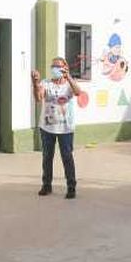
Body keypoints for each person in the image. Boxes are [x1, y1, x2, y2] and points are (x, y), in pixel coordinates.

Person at [32, 56, 82, 198]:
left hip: (66, 129)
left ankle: (71, 187)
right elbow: (38, 98)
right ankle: (46, 185)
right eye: (53, 66)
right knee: (47, 157)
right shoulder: (46, 83)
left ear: (64, 68)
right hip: (47, 128)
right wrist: (35, 83)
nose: (55, 69)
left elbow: (78, 92)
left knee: (67, 157)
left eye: (58, 66)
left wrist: (69, 77)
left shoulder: (69, 84)